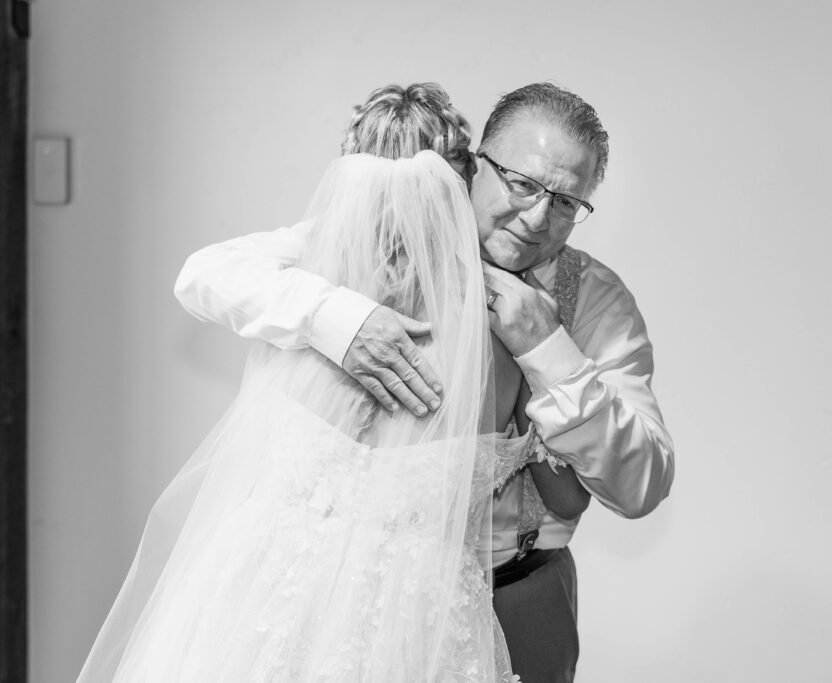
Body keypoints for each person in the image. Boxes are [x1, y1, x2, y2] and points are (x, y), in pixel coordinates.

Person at [78, 83, 589, 682]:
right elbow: (571, 495)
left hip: (263, 603)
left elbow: (208, 274)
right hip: (417, 625)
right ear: (461, 179)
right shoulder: (510, 326)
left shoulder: (293, 289)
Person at [173, 82, 675, 683]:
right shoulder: (388, 235)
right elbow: (209, 274)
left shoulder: (598, 301)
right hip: (351, 597)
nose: (539, 217)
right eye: (522, 184)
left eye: (567, 203)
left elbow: (642, 483)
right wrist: (340, 320)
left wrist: (548, 348)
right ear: (475, 163)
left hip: (519, 595)